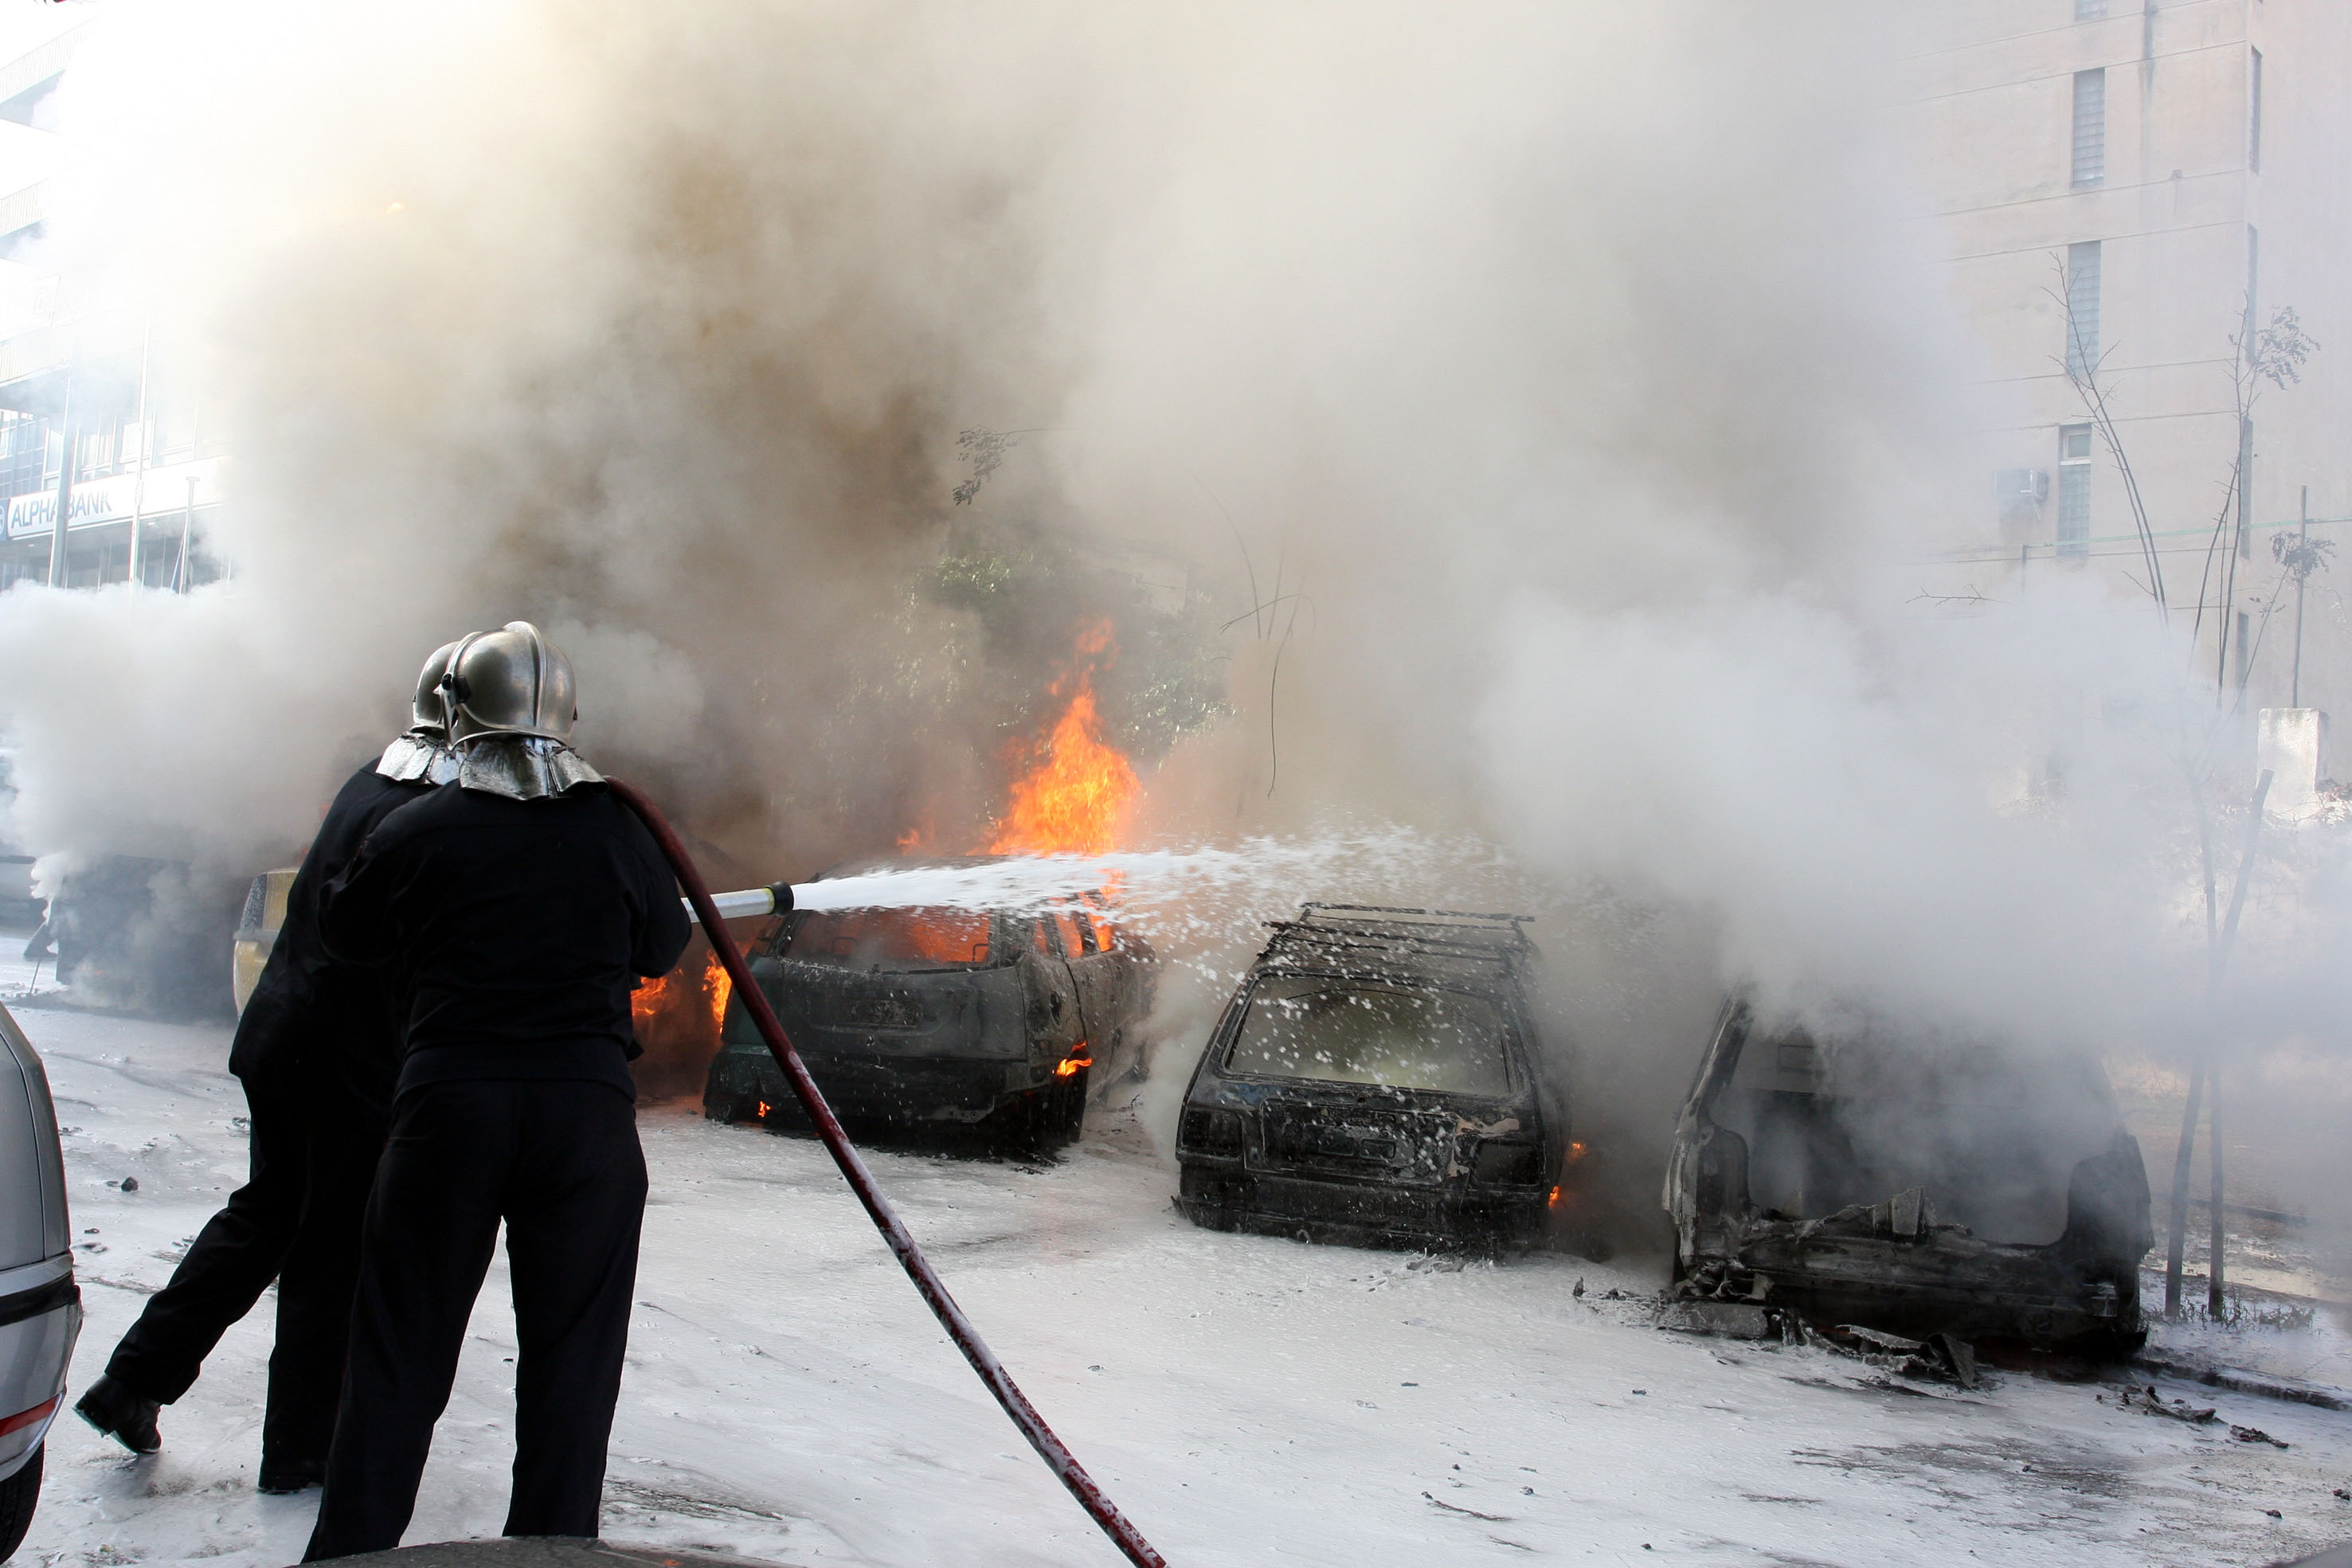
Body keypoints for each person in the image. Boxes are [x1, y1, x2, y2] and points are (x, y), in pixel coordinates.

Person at [303, 621, 690, 1560]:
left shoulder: (420, 826)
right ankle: (551, 1550)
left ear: (455, 716)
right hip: (584, 1123)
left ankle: (351, 1551)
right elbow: (660, 946)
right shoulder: (617, 823)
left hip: (449, 1111)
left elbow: (345, 934)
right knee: (572, 1363)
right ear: (563, 718)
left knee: (399, 1350)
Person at [76, 642, 466, 1494]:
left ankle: (132, 1380)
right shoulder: (437, 807)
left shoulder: (379, 775)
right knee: (331, 1248)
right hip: (344, 1059)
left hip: (285, 1036)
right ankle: (301, 1451)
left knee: (267, 1216)